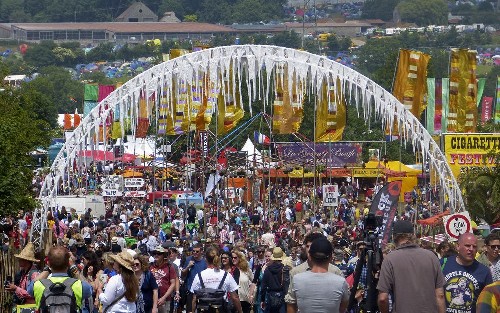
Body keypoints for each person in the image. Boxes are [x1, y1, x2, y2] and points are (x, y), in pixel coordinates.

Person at [377, 220, 445, 313]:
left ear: (394, 237)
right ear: (413, 235)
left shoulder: (390, 259)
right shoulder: (431, 257)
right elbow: (440, 295)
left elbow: (382, 298)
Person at [287, 237, 350, 313]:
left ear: (310, 256)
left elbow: (290, 306)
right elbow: (342, 308)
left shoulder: (297, 279)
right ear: (331, 257)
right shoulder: (341, 282)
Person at [29, 246, 93, 312]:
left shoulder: (39, 285)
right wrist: (73, 267)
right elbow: (89, 289)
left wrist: (48, 269)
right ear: (68, 263)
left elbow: (30, 288)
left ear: (49, 263)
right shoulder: (78, 285)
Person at [442, 233, 492, 313]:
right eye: (467, 246)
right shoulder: (443, 264)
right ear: (457, 246)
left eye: (474, 246)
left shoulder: (484, 271)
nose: (471, 249)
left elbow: (488, 302)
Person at [190, 246, 243, 313]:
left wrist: (192, 311)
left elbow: (194, 299)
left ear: (205, 259)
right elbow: (235, 297)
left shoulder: (199, 276)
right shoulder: (226, 275)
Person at [260, 247, 288, 313]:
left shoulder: (267, 269)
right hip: (282, 296)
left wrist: (262, 299)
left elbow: (263, 286)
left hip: (271, 296)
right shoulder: (285, 269)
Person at [150, 246, 178, 313]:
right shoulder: (150, 266)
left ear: (163, 255)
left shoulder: (169, 267)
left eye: (159, 253)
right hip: (151, 298)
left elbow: (173, 283)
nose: (156, 255)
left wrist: (164, 297)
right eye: (155, 253)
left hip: (164, 299)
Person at [181, 243, 207, 313]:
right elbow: (183, 274)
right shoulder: (188, 259)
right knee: (189, 310)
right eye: (193, 251)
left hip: (202, 291)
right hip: (190, 289)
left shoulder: (205, 262)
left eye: (197, 251)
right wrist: (188, 266)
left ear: (201, 251)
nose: (195, 253)